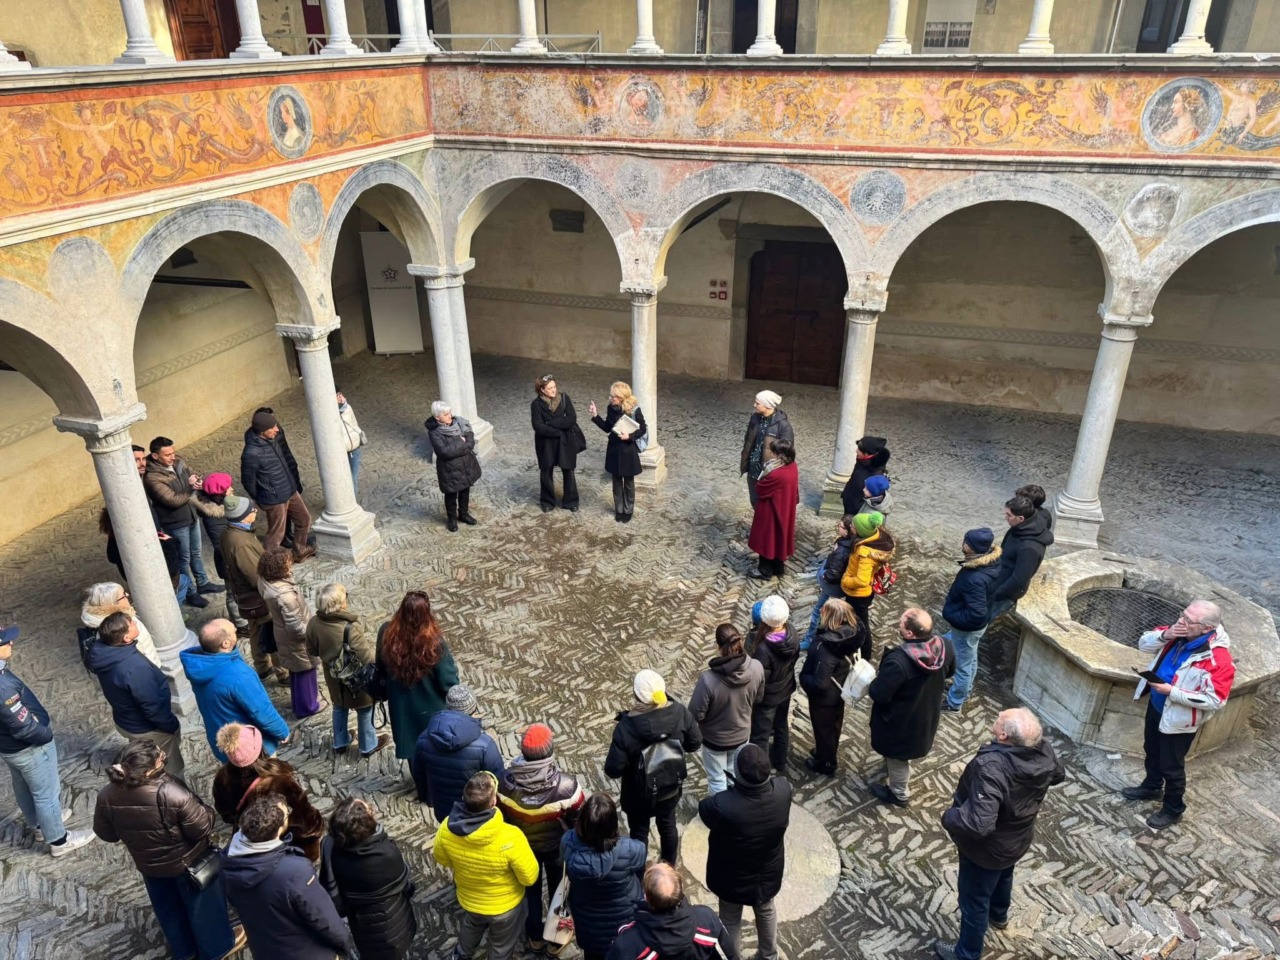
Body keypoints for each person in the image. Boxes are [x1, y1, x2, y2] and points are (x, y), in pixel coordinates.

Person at [92, 740, 244, 960]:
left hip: (150, 868)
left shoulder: (106, 794)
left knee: (169, 912)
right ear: (148, 769)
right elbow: (201, 828)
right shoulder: (171, 792)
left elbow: (107, 834)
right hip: (189, 865)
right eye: (159, 756)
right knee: (205, 910)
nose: (163, 755)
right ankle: (217, 949)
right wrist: (206, 811)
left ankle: (185, 951)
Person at [934, 708, 1064, 960]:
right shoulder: (1043, 749)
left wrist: (950, 816)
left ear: (1003, 735)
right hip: (1017, 838)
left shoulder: (991, 767)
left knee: (974, 901)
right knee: (1004, 874)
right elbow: (1058, 774)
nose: (999, 714)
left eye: (999, 719)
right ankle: (998, 914)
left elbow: (979, 824)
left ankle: (966, 953)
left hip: (986, 851)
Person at [1121, 600, 1235, 830]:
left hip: (1179, 720)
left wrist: (1172, 692)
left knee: (1171, 767)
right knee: (1151, 750)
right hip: (1157, 706)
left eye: (1188, 620)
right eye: (1182, 614)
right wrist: (1167, 635)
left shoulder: (1219, 660)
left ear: (1206, 628)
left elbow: (1216, 700)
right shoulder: (1178, 632)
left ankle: (1173, 809)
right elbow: (1143, 643)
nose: (1181, 621)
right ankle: (1152, 786)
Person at [0, 624, 96, 857]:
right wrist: (45, 735)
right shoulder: (3, 688)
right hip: (29, 748)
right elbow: (23, 727)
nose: (11, 643)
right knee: (47, 796)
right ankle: (59, 840)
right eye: (4, 642)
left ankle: (40, 825)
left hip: (9, 747)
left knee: (23, 786)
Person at [222, 793, 355, 960]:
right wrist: (345, 943)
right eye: (287, 814)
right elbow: (323, 918)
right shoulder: (295, 872)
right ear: (278, 829)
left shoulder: (227, 860)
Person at [497, 723, 586, 952]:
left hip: (523, 848)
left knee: (531, 891)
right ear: (550, 751)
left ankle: (535, 936)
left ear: (523, 751)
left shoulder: (504, 783)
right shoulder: (567, 787)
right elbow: (579, 822)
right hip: (556, 849)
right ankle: (556, 939)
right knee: (559, 891)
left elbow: (502, 816)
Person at [697, 744, 791, 960]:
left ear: (738, 774)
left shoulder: (723, 805)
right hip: (767, 871)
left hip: (732, 876)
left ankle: (733, 957)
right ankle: (769, 955)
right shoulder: (783, 789)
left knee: (730, 917)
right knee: (766, 909)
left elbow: (704, 809)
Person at [434, 771, 539, 960]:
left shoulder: (447, 827)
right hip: (505, 907)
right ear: (493, 802)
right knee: (501, 945)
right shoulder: (511, 836)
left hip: (470, 898)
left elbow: (442, 859)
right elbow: (529, 877)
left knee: (471, 925)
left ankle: (461, 954)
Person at [604, 669, 701, 866]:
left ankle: (639, 873)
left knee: (639, 833)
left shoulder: (626, 727)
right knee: (668, 824)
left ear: (637, 696)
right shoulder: (680, 712)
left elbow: (613, 769)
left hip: (638, 795)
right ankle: (668, 867)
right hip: (669, 788)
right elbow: (695, 743)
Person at [867, 608, 955, 807]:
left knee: (898, 757)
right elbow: (950, 672)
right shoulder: (945, 647)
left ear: (909, 633)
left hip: (900, 722)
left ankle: (899, 793)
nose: (898, 624)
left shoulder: (898, 662)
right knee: (901, 752)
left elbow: (879, 694)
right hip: (926, 713)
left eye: (901, 623)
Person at [84, 611, 185, 781]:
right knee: (170, 768)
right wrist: (170, 726)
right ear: (126, 638)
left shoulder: (103, 652)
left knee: (143, 757)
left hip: (126, 721)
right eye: (131, 623)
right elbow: (152, 706)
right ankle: (176, 791)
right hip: (147, 728)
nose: (135, 623)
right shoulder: (134, 668)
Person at [320, 797, 417, 960]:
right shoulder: (387, 852)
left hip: (362, 923)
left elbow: (331, 889)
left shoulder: (332, 849)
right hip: (395, 920)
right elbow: (404, 883)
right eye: (369, 810)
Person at [212, 721, 325, 861]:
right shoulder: (281, 779)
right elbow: (307, 824)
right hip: (284, 847)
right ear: (259, 748)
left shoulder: (222, 778)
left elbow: (225, 814)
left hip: (251, 845)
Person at [180, 619, 290, 761]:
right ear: (225, 643)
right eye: (234, 631)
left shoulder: (201, 665)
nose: (237, 631)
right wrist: (282, 731)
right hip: (251, 747)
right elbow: (260, 709)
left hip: (224, 745)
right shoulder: (238, 675)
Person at [376, 590, 461, 761]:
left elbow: (380, 667)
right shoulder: (434, 642)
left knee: (413, 756)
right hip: (431, 712)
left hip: (401, 709)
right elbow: (449, 683)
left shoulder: (386, 632)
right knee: (433, 755)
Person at [307, 582, 389, 757]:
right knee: (364, 709)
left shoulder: (313, 623)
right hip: (355, 678)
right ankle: (368, 745)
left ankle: (340, 742)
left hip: (333, 677)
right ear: (338, 604)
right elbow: (366, 658)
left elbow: (311, 650)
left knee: (339, 706)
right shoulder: (349, 628)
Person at [561, 793, 647, 960]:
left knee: (593, 954)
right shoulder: (630, 849)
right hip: (623, 919)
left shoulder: (568, 843)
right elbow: (641, 856)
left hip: (588, 921)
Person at [144, 435, 224, 598]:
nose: (172, 457)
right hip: (175, 522)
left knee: (196, 552)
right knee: (183, 558)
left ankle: (203, 583)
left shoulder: (178, 461)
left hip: (191, 515)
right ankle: (189, 591)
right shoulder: (153, 478)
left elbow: (191, 474)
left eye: (173, 452)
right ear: (155, 456)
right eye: (167, 455)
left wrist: (196, 480)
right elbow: (172, 500)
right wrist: (191, 488)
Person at [220, 494, 289, 682]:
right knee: (272, 632)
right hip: (258, 597)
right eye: (251, 510)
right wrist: (274, 590)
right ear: (243, 517)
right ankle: (283, 673)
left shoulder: (229, 533)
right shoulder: (241, 543)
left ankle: (262, 667)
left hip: (246, 597)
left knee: (256, 631)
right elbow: (254, 575)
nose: (256, 511)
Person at [689, 625, 764, 795]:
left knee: (717, 779)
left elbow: (695, 713)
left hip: (714, 740)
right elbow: (758, 698)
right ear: (740, 641)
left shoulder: (708, 679)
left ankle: (720, 808)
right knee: (734, 773)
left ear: (718, 646)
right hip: (742, 734)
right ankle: (734, 803)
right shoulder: (757, 667)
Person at [606, 863, 738, 960]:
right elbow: (729, 954)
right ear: (680, 890)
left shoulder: (627, 943)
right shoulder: (707, 918)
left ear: (646, 897)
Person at [412, 683, 503, 821]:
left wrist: (427, 797)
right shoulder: (485, 745)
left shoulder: (423, 739)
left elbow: (419, 775)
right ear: (473, 709)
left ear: (447, 707)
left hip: (443, 811)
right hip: (476, 813)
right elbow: (498, 781)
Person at [798, 598, 867, 776]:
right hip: (840, 689)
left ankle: (827, 763)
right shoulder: (852, 634)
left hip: (825, 698)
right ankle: (825, 752)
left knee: (823, 730)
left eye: (824, 611)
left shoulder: (826, 647)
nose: (820, 611)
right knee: (834, 726)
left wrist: (804, 678)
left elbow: (820, 683)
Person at [941, 528, 1003, 714]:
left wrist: (952, 616)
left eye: (966, 541)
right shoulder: (991, 564)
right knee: (970, 657)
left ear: (973, 547)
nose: (963, 544)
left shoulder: (974, 578)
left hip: (967, 628)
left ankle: (955, 702)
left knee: (963, 666)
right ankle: (965, 689)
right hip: (976, 627)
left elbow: (976, 613)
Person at [240, 409, 313, 559]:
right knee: (276, 534)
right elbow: (248, 481)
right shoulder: (251, 453)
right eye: (272, 428)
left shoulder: (272, 439)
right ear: (262, 432)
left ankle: (299, 550)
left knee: (304, 520)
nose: (277, 430)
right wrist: (262, 498)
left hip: (290, 490)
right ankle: (268, 563)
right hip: (274, 498)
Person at [258, 546, 320, 720]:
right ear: (278, 568)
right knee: (305, 670)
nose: (290, 564)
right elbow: (295, 627)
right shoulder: (285, 596)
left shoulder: (265, 581)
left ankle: (300, 702)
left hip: (282, 634)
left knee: (296, 671)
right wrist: (311, 635)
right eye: (287, 563)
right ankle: (308, 706)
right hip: (296, 641)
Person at [748, 594, 799, 772]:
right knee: (781, 726)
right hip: (785, 689)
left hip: (768, 698)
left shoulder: (763, 649)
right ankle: (780, 761)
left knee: (760, 735)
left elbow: (760, 678)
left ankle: (760, 771)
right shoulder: (792, 634)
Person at [193, 472, 247, 634]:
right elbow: (222, 544)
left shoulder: (225, 507)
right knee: (233, 593)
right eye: (228, 488)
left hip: (234, 556)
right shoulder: (214, 517)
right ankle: (241, 624)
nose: (232, 489)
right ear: (220, 494)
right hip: (228, 560)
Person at [986, 494, 1055, 619]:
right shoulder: (1019, 527)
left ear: (1021, 518)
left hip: (1004, 592)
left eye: (1009, 515)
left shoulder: (1029, 548)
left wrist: (996, 594)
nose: (1005, 518)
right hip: (998, 579)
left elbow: (1018, 580)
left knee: (983, 618)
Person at [589, 381, 647, 523]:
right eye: (611, 396)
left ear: (621, 397)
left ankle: (628, 510)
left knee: (628, 481)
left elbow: (643, 429)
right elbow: (607, 427)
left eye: (613, 396)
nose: (611, 398)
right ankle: (619, 510)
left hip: (628, 450)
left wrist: (630, 436)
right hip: (614, 448)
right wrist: (595, 415)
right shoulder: (611, 408)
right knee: (616, 481)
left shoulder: (634, 410)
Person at [841, 510, 895, 659]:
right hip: (860, 594)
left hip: (859, 595)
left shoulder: (865, 553)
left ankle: (865, 655)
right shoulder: (869, 538)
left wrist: (845, 581)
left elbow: (862, 580)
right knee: (856, 622)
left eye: (854, 525)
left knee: (862, 625)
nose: (851, 526)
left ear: (861, 530)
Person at [425, 400, 482, 532]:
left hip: (466, 465)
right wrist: (463, 443)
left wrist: (462, 445)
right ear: (437, 417)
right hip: (449, 470)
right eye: (445, 414)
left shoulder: (460, 423)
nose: (450, 416)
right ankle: (452, 519)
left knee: (465, 491)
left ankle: (464, 514)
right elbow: (444, 452)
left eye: (449, 412)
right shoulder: (435, 432)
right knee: (451, 495)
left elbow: (470, 440)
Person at [802, 514, 857, 650]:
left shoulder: (842, 551)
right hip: (837, 586)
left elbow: (834, 574)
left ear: (847, 531)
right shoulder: (849, 543)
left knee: (818, 611)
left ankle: (810, 639)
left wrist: (823, 575)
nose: (838, 527)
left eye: (840, 526)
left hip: (832, 587)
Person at [747, 437, 799, 580]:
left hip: (771, 511)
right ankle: (778, 567)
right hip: (785, 509)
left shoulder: (775, 473)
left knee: (767, 539)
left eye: (774, 452)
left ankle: (765, 570)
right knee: (780, 538)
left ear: (779, 454)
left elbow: (760, 488)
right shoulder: (793, 466)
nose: (772, 454)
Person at [530, 374, 581, 513]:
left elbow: (571, 419)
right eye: (550, 388)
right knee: (546, 471)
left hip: (565, 442)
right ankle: (547, 502)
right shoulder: (536, 405)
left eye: (554, 386)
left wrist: (550, 423)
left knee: (568, 471)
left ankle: (571, 501)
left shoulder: (564, 398)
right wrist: (559, 431)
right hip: (545, 443)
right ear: (542, 390)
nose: (554, 390)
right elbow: (538, 427)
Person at [81, 581, 162, 665]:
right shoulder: (121, 624)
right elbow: (141, 650)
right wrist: (153, 666)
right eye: (123, 595)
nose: (127, 595)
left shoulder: (98, 621)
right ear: (114, 603)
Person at [739, 389, 793, 508]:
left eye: (757, 403)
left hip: (769, 472)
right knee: (754, 500)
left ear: (767, 405)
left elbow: (787, 452)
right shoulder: (755, 418)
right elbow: (748, 441)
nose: (754, 405)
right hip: (753, 468)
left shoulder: (783, 425)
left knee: (767, 504)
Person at [840, 435, 890, 516]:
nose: (856, 451)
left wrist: (853, 513)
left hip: (857, 511)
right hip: (850, 502)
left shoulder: (876, 476)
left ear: (867, 454)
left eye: (859, 450)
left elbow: (871, 499)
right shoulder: (862, 461)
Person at [337, 388, 367, 499]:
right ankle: (345, 500)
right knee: (344, 477)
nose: (340, 397)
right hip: (341, 451)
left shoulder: (347, 408)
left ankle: (352, 500)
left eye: (340, 394)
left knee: (353, 476)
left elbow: (354, 422)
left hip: (354, 448)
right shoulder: (329, 415)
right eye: (336, 395)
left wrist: (357, 435)